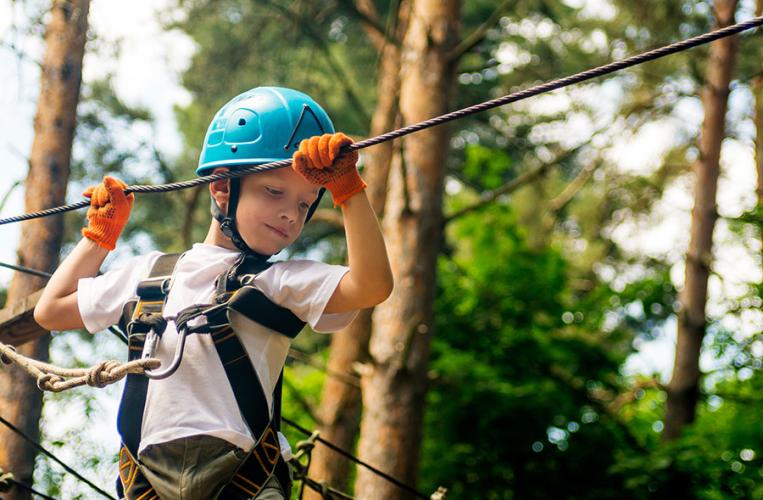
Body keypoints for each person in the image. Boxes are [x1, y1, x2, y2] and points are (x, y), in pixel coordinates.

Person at [34, 87, 393, 500]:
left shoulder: (281, 282)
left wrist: (348, 190)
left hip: (243, 478)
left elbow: (372, 286)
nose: (290, 214)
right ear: (221, 188)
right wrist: (100, 237)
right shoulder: (149, 274)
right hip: (148, 479)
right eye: (274, 192)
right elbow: (51, 311)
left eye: (305, 203)